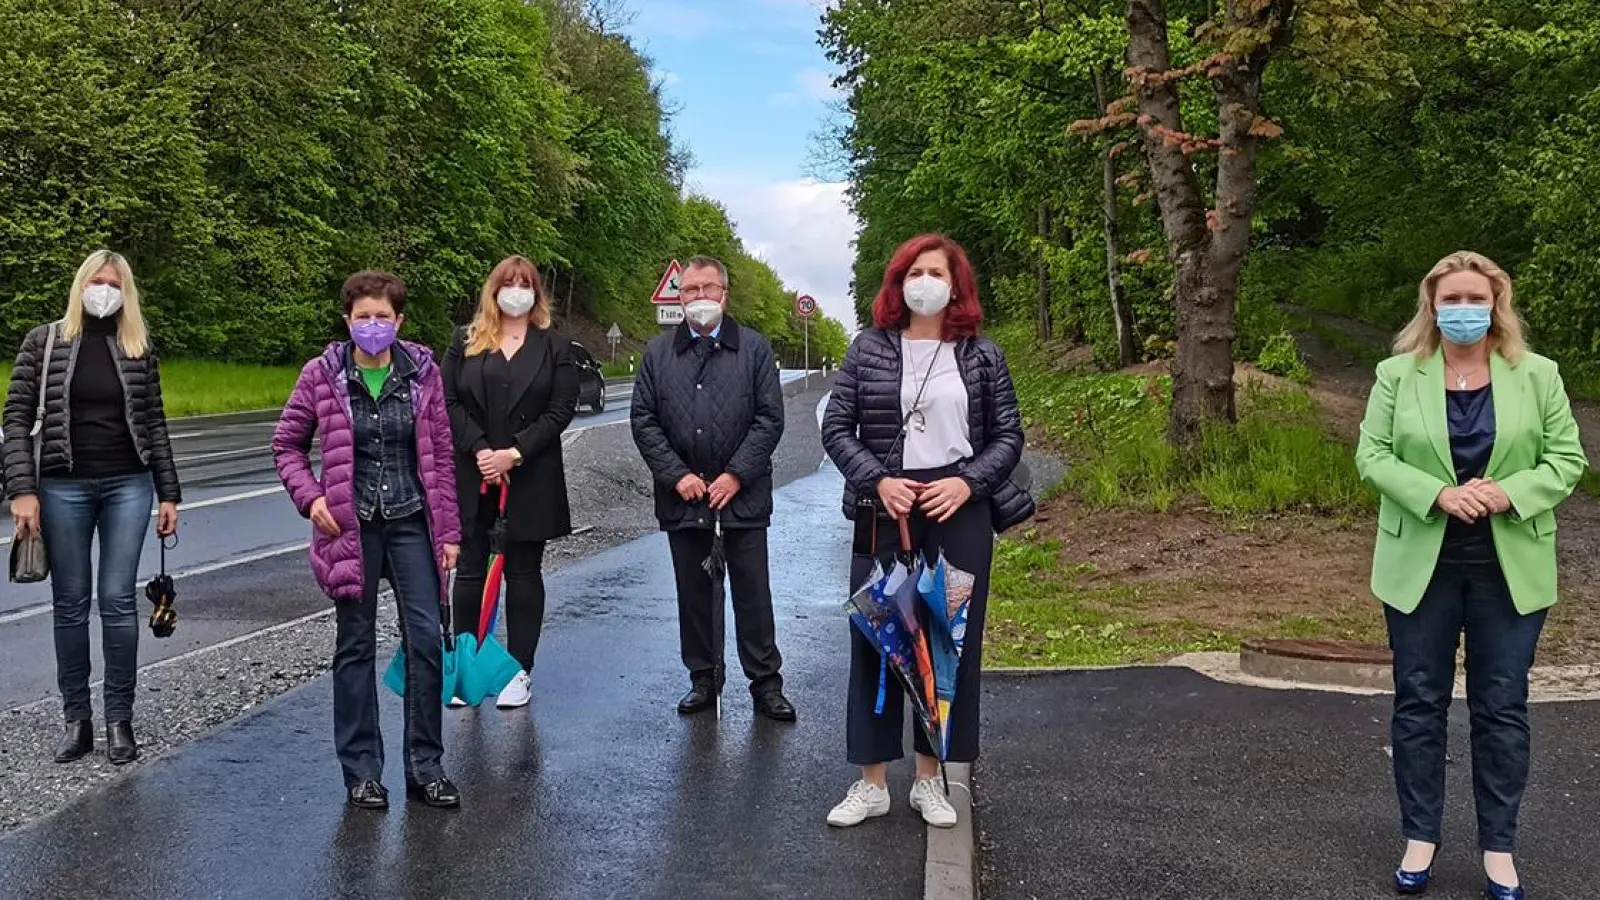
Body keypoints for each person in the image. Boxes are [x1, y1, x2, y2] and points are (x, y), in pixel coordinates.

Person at [1355, 251, 1585, 899]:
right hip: (1420, 565)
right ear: (1431, 306)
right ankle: (1419, 837)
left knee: (1502, 707)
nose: (1463, 309)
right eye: (1451, 298)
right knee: (1418, 701)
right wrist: (1437, 493)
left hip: (1507, 567)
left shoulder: (1538, 375)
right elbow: (1372, 455)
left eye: (1475, 298)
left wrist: (1508, 492)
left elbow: (1567, 459)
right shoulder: (1396, 374)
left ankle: (1499, 848)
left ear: (1496, 305)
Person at [820, 233, 1033, 829]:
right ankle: (870, 784)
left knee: (946, 644)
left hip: (956, 509)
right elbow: (836, 427)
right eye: (915, 272)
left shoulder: (982, 355)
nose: (925, 282)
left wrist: (968, 483)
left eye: (936, 272)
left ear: (956, 284)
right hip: (885, 508)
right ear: (898, 282)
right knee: (877, 639)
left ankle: (929, 779)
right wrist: (876, 481)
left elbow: (1008, 436)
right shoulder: (868, 348)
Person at [271, 270, 463, 810]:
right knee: (354, 646)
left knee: (425, 639)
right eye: (363, 317)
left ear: (399, 321)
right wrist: (311, 498)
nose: (373, 325)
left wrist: (450, 532)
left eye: (383, 316)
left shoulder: (423, 374)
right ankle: (361, 771)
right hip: (348, 526)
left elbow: (442, 457)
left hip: (411, 522)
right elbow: (286, 445)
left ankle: (426, 766)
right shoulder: (321, 375)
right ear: (347, 320)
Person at [3, 250, 181, 765]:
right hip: (62, 486)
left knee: (118, 600)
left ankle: (119, 719)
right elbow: (16, 419)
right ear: (80, 285)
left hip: (129, 483)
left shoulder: (138, 346)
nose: (105, 290)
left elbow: (155, 422)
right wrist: (22, 490)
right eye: (97, 281)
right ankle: (76, 721)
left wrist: (169, 492)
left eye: (115, 284)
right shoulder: (44, 342)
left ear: (127, 293)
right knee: (70, 602)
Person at [629, 255, 795, 721]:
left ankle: (765, 683)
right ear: (679, 297)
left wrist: (736, 474)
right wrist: (676, 474)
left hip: (743, 496)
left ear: (725, 293)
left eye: (708, 288)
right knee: (694, 593)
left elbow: (769, 418)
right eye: (690, 290)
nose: (699, 297)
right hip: (683, 498)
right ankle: (703, 678)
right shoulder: (658, 354)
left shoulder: (755, 349)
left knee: (752, 593)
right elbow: (643, 420)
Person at [442, 255, 578, 708]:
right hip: (474, 473)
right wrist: (481, 451)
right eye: (508, 282)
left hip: (531, 474)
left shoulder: (555, 347)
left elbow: (560, 410)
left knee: (523, 573)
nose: (516, 290)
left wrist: (514, 453)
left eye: (525, 283)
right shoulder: (464, 340)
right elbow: (447, 400)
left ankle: (519, 671)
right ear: (493, 289)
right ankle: (468, 669)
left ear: (536, 293)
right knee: (470, 572)